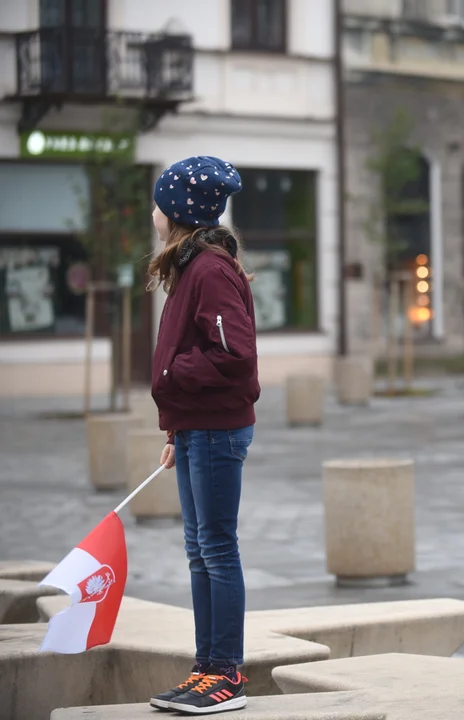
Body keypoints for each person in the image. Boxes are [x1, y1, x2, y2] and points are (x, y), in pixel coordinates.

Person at [146, 156, 260, 715]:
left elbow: (234, 356)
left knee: (216, 548)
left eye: (158, 204)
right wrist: (175, 423)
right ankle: (206, 666)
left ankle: (226, 674)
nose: (153, 213)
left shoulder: (210, 270)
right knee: (199, 551)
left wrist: (171, 379)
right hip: (197, 427)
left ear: (176, 212)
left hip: (218, 431)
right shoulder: (192, 268)